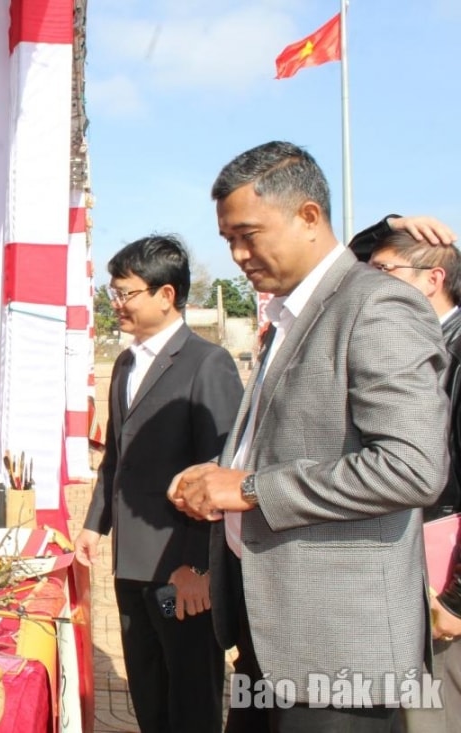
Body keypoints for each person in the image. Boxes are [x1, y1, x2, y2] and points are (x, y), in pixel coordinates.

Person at [168, 141, 450, 732]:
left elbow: (411, 466)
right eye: (227, 240)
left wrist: (247, 488)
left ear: (308, 217)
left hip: (338, 647)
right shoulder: (291, 317)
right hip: (268, 633)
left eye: (248, 234)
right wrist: (215, 476)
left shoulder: (376, 305)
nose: (238, 254)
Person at [74, 235, 242, 733]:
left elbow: (220, 476)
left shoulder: (207, 364)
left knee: (190, 698)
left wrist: (197, 567)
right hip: (131, 564)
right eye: (113, 292)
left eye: (126, 293)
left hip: (179, 571)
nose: (117, 304)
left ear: (166, 295)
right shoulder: (125, 363)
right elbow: (117, 459)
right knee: (148, 692)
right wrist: (93, 526)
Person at [365, 231, 461, 733]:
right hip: (412, 560)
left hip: (445, 575)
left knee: (435, 716)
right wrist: (396, 222)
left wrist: (456, 599)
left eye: (385, 273)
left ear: (434, 279)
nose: (370, 283)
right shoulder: (420, 342)